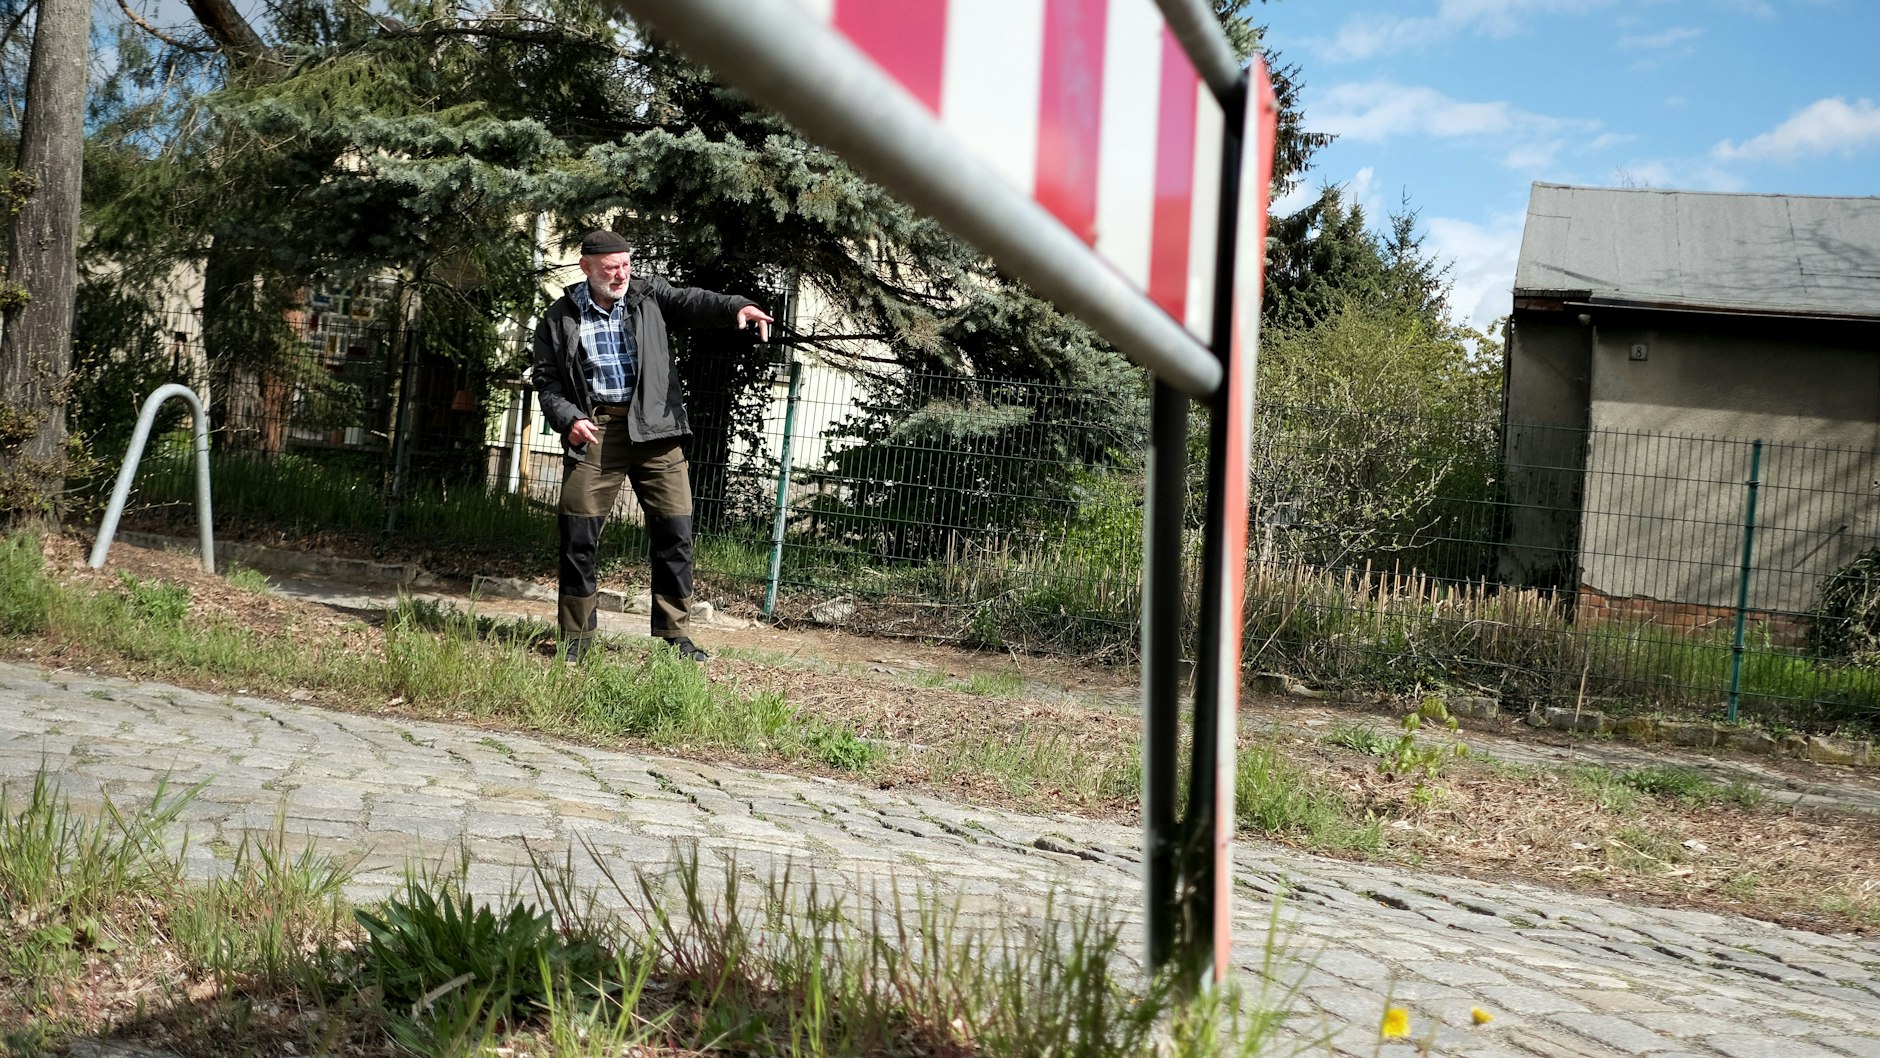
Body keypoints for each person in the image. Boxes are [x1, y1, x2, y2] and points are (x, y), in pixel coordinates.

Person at [531, 230, 773, 662]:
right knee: (577, 537)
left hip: (657, 428)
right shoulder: (559, 316)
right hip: (596, 430)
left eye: (626, 265)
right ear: (586, 267)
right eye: (611, 267)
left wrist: (737, 306)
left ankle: (675, 637)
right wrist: (569, 419)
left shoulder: (649, 296)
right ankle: (576, 639)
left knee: (675, 534)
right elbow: (547, 381)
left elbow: (694, 301)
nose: (621, 274)